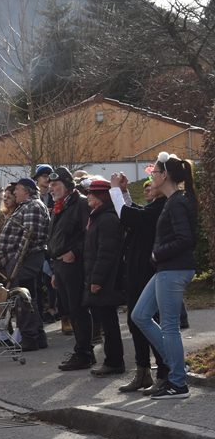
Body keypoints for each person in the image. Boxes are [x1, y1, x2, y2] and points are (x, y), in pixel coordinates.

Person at [130, 152, 198, 399]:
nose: (151, 176)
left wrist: (158, 254)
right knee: (140, 315)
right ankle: (177, 366)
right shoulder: (173, 201)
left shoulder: (178, 202)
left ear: (165, 175)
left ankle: (178, 383)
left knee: (169, 326)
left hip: (174, 269)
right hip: (166, 269)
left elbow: (185, 239)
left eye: (154, 172)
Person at [110, 175, 168, 392]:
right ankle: (143, 371)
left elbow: (129, 217)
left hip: (147, 271)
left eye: (154, 179)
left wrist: (115, 191)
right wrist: (124, 193)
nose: (149, 184)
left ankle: (164, 371)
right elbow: (138, 214)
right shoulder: (155, 206)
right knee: (136, 323)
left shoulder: (164, 206)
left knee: (150, 321)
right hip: (136, 271)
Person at [0, 178, 51, 350]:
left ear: (28, 191)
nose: (14, 192)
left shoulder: (33, 206)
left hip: (26, 260)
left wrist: (15, 260)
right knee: (28, 298)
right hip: (21, 260)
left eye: (18, 189)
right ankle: (37, 336)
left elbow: (29, 238)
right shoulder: (27, 206)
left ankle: (30, 338)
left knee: (23, 299)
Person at [47, 168, 94, 371]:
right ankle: (81, 350)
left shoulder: (81, 203)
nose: (51, 189)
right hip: (61, 265)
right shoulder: (60, 205)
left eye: (55, 185)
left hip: (74, 265)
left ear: (67, 185)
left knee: (78, 309)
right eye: (50, 185)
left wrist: (75, 251)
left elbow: (90, 235)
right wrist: (55, 270)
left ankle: (84, 352)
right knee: (69, 310)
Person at [81, 179, 125, 376]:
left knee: (109, 322)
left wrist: (97, 280)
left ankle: (114, 362)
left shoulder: (107, 219)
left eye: (92, 193)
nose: (88, 196)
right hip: (99, 278)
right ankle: (112, 360)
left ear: (101, 197)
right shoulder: (98, 216)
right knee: (106, 321)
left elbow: (106, 253)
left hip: (105, 281)